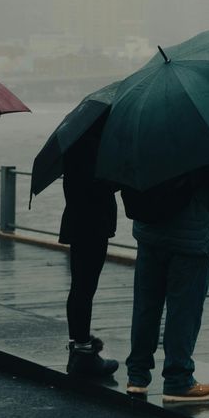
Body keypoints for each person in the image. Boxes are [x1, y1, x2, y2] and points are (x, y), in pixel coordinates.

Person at [122, 157, 209, 402]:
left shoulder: (144, 134)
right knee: (184, 310)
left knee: (146, 305)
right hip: (190, 235)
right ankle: (178, 380)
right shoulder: (202, 134)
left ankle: (137, 377)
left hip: (150, 233)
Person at [59, 132, 118, 378]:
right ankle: (84, 351)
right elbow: (98, 186)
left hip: (78, 224)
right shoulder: (92, 153)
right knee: (85, 287)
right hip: (92, 226)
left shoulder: (74, 149)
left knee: (80, 287)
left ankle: (79, 346)